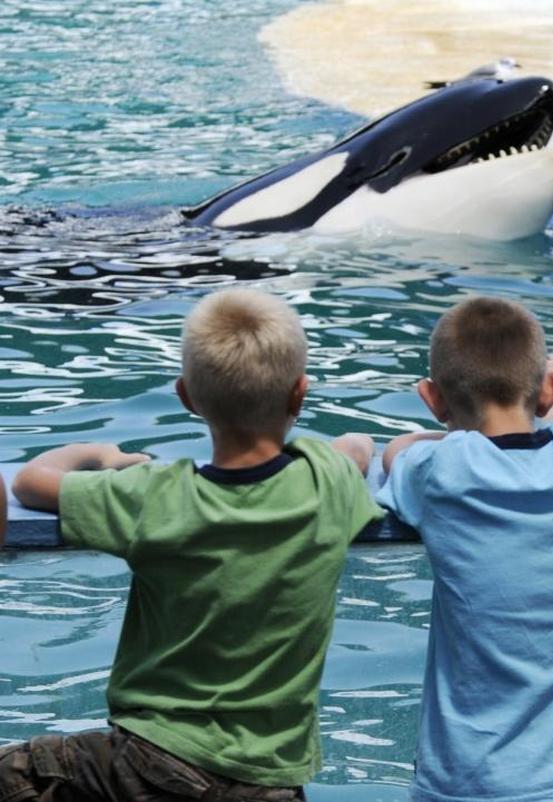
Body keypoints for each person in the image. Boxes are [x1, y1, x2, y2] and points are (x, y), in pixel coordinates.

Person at [4, 288, 381, 801]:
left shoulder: (154, 496)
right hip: (271, 781)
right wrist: (340, 449)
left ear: (186, 396)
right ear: (300, 393)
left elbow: (31, 483)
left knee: (17, 773)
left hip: (148, 762)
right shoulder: (326, 481)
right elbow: (357, 448)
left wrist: (103, 454)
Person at [378, 296, 553, 802]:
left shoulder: (440, 468)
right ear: (544, 390)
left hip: (464, 780)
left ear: (433, 398)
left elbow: (398, 452)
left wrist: (432, 434)